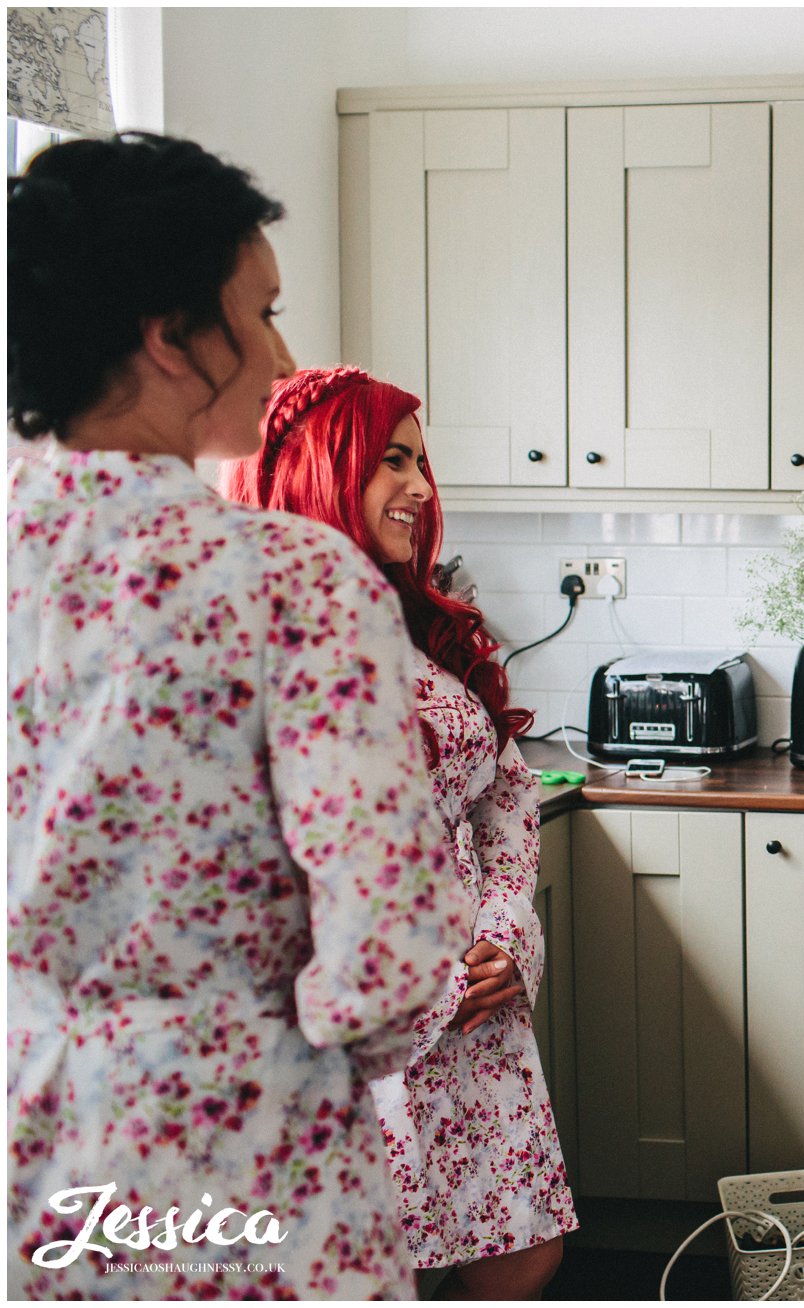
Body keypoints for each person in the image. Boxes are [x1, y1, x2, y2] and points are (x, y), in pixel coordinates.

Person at [7, 133, 470, 1298]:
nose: (279, 354)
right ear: (170, 336)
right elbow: (393, 955)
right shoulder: (293, 582)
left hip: (32, 1155)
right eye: (261, 313)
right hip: (253, 1157)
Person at [225, 367, 577, 1297]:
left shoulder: (415, 623)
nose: (423, 489)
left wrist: (509, 932)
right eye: (394, 462)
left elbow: (504, 797)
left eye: (422, 462)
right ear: (322, 469)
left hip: (476, 1015)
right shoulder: (252, 639)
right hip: (361, 1039)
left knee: (524, 1251)